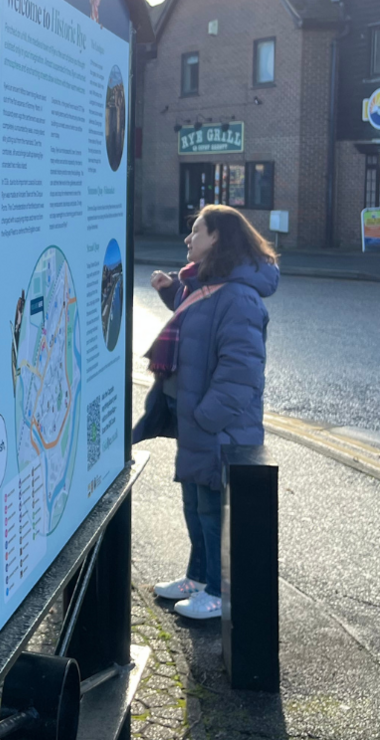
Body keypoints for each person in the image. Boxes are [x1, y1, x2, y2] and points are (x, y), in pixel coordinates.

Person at [133, 204, 279, 620]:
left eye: (196, 230)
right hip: (196, 421)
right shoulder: (208, 285)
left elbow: (242, 370)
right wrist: (169, 293)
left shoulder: (240, 296)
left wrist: (204, 416)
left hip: (217, 428)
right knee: (195, 506)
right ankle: (197, 579)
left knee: (213, 512)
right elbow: (197, 323)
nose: (188, 238)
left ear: (217, 237)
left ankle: (217, 593)